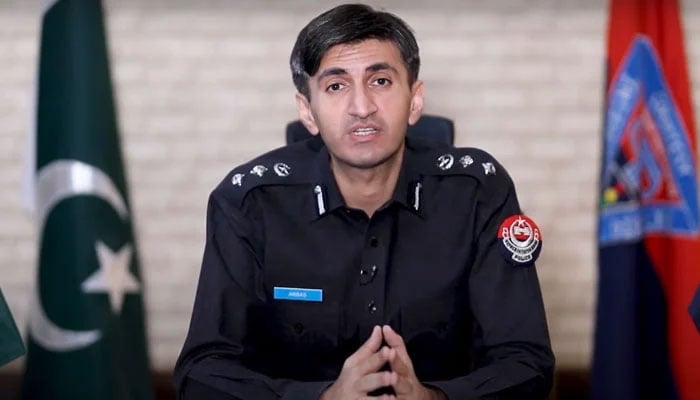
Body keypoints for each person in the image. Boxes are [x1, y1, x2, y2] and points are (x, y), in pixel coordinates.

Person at [173, 3, 554, 399]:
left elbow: (527, 362)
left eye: (381, 81)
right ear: (307, 111)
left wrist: (433, 397)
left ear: (415, 100)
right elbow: (201, 373)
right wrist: (322, 398)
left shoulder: (478, 192)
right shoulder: (249, 202)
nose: (362, 107)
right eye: (336, 86)